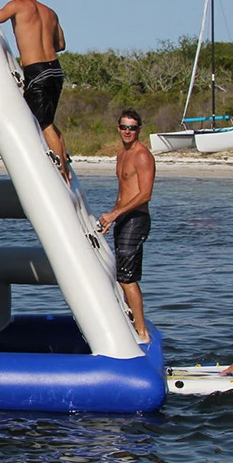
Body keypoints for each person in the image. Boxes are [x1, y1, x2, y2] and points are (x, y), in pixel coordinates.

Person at [0, 0, 70, 181]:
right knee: (48, 119)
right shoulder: (50, 12)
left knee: (43, 124)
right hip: (55, 69)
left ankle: (62, 172)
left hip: (37, 70)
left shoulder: (16, 6)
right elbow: (60, 44)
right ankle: (66, 168)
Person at [98, 109, 155, 343]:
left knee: (127, 277)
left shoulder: (142, 156)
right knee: (120, 273)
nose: (127, 131)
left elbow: (145, 194)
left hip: (136, 219)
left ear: (139, 129)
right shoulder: (121, 154)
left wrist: (115, 214)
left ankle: (142, 332)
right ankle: (132, 324)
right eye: (124, 127)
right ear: (118, 128)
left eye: (132, 128)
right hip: (122, 218)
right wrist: (113, 217)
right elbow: (123, 192)